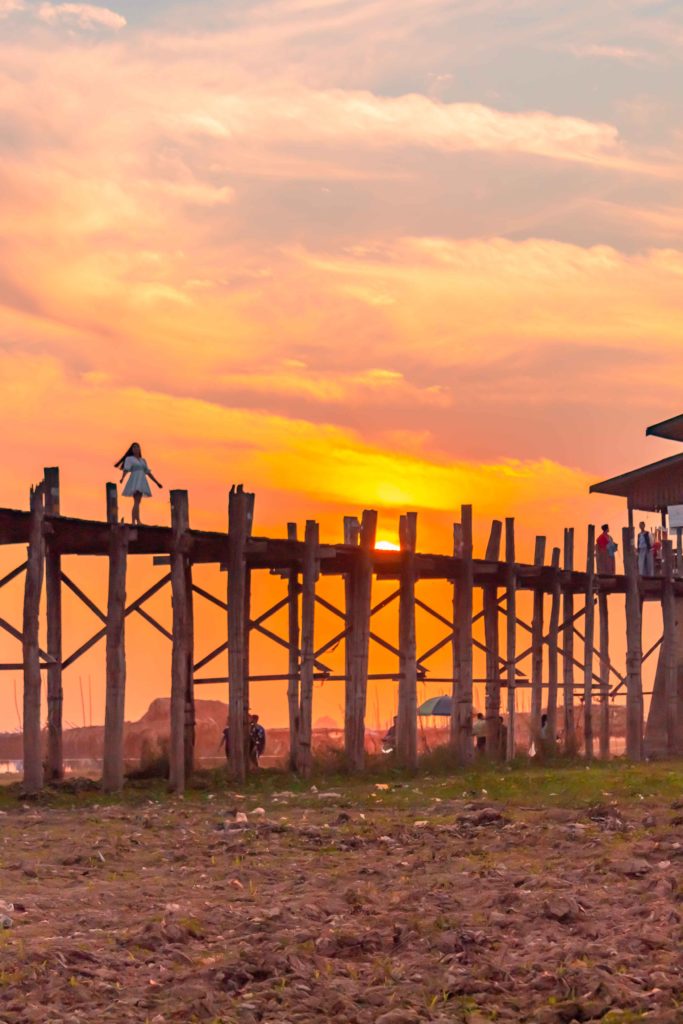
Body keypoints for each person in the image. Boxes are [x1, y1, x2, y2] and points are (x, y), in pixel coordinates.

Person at [115, 443, 162, 525]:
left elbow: (148, 472)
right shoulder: (130, 459)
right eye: (134, 448)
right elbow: (126, 469)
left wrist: (157, 483)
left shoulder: (143, 460)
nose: (135, 449)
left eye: (137, 447)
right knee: (136, 501)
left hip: (142, 480)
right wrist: (122, 478)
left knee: (137, 501)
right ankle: (135, 521)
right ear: (132, 450)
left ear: (140, 449)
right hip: (135, 480)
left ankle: (137, 520)